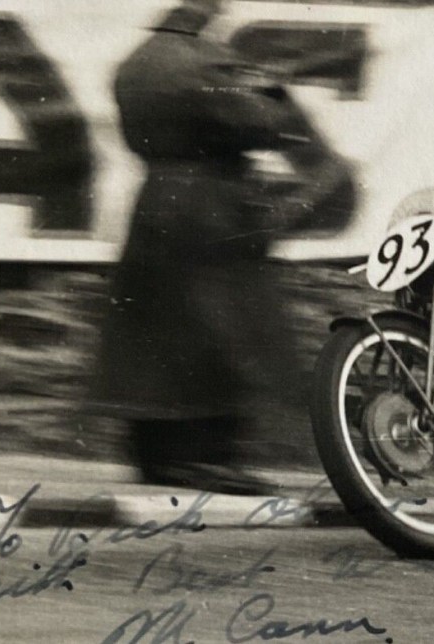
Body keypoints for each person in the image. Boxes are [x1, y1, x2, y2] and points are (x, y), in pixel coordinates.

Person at [89, 0, 351, 494]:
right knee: (223, 328)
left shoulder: (135, 61)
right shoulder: (203, 60)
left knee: (154, 331)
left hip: (155, 199)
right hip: (210, 205)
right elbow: (262, 125)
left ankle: (153, 454)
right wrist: (273, 93)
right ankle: (205, 458)